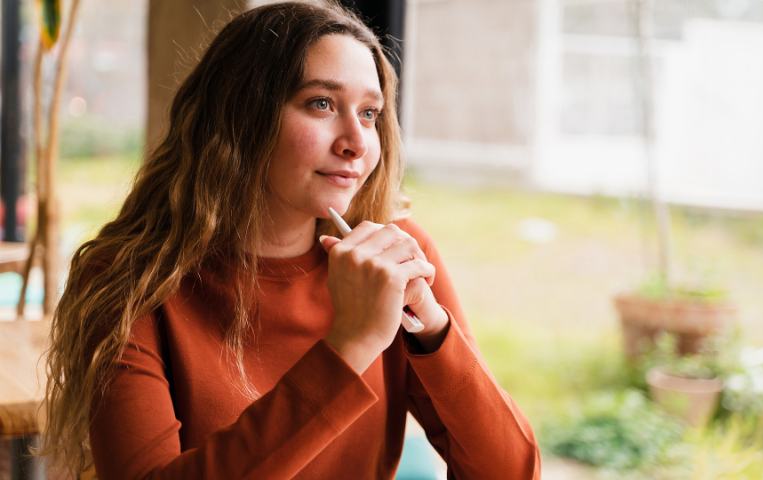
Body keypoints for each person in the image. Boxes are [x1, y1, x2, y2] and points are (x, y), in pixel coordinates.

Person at [41, 2, 541, 478]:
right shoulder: (130, 276)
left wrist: (432, 330)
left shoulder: (394, 257)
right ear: (241, 116)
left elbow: (510, 472)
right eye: (321, 104)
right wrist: (351, 344)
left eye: (369, 113)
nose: (357, 142)